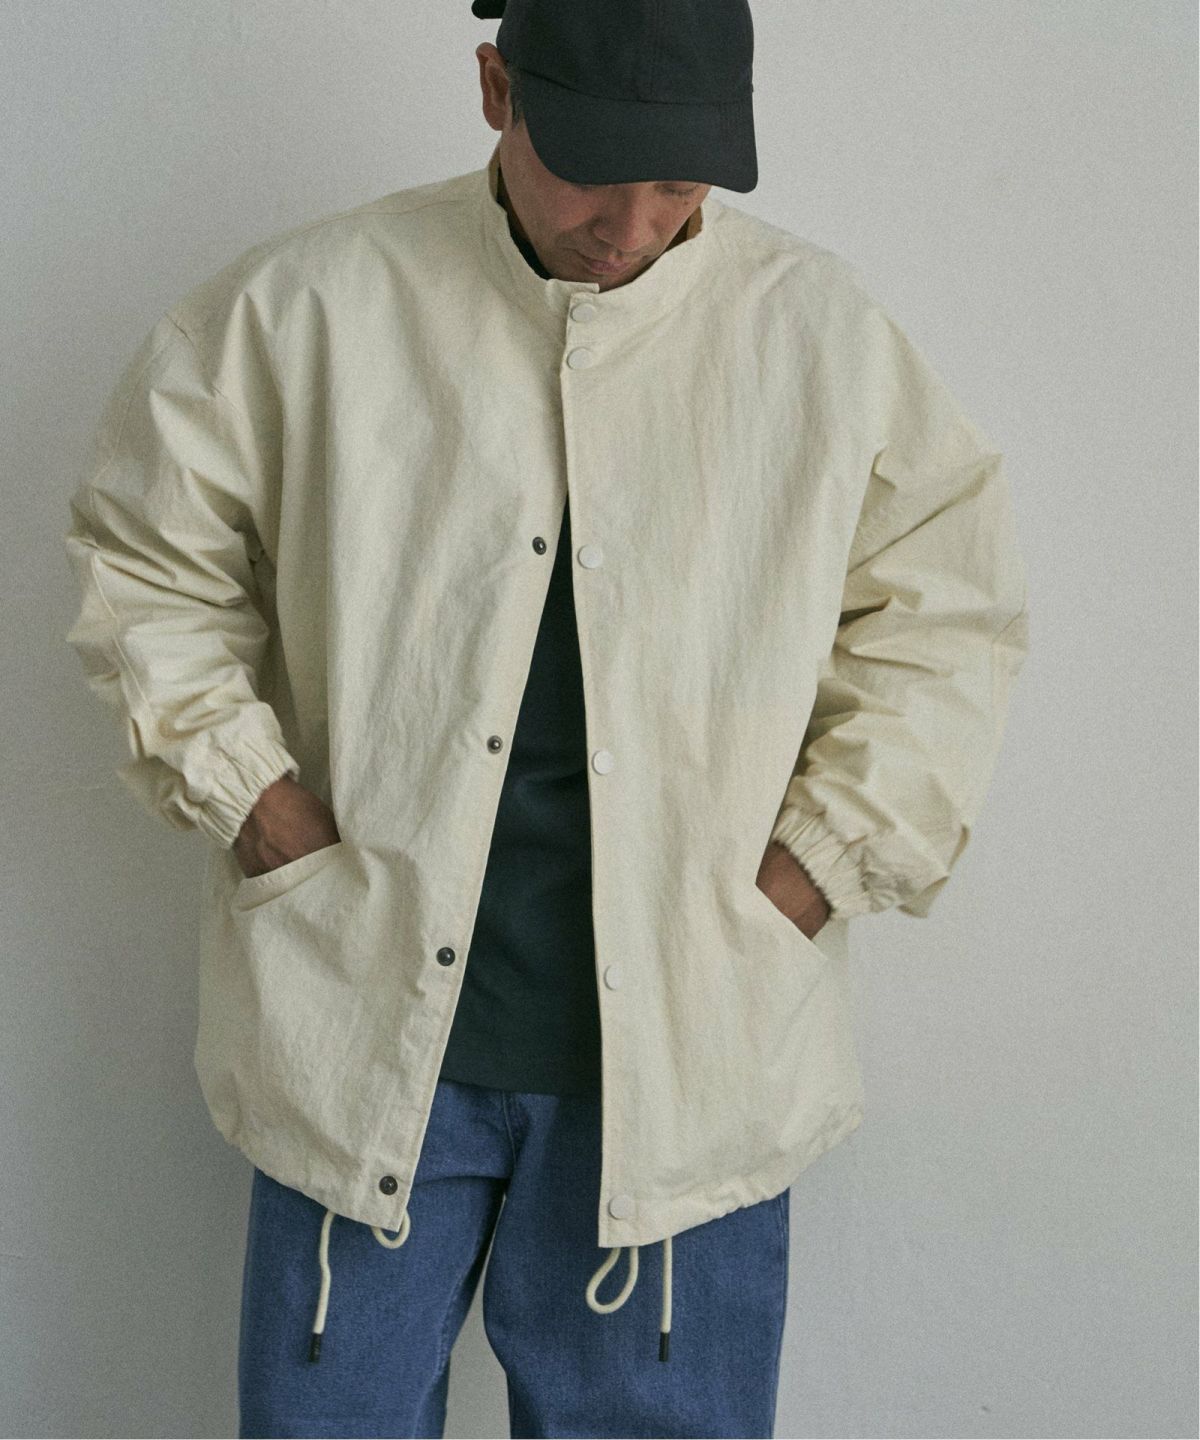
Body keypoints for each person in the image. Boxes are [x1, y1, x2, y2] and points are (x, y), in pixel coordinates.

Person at [61, 0, 1030, 1435]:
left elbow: (946, 622)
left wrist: (814, 872)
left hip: (691, 1052)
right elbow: (146, 558)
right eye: (593, 172)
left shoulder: (824, 342)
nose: (629, 229)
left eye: (680, 185)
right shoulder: (309, 309)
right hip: (362, 1019)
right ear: (495, 87)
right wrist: (258, 805)